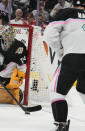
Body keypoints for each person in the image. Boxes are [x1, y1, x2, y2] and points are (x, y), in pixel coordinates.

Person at [43, 0, 85, 130]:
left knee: (56, 91)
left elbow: (49, 34)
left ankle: (61, 124)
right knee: (83, 91)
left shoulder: (66, 12)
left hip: (72, 56)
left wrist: (60, 50)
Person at [0, 25, 27, 98]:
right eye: (6, 36)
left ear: (13, 36)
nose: (8, 39)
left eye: (10, 37)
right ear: (3, 35)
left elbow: (21, 66)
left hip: (8, 73)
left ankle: (3, 81)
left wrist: (20, 76)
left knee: (13, 64)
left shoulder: (20, 47)